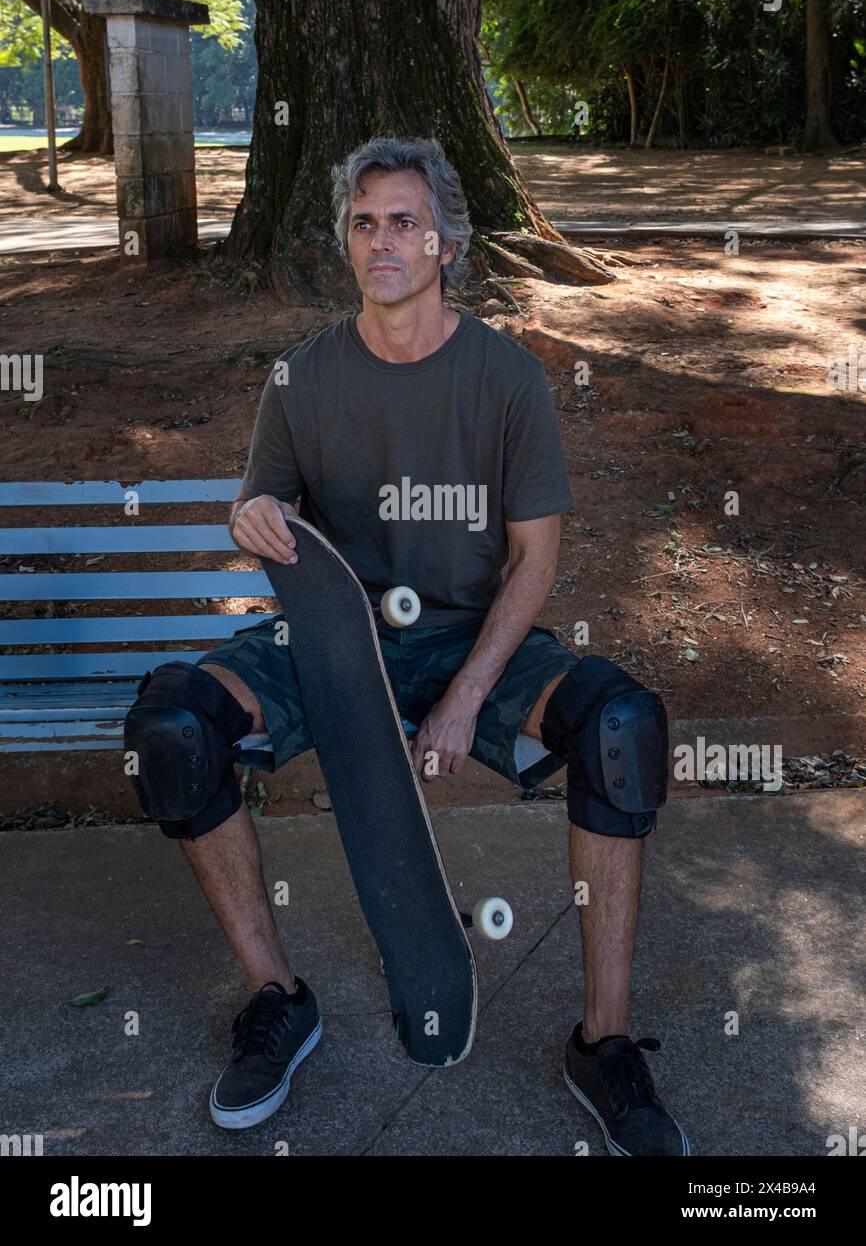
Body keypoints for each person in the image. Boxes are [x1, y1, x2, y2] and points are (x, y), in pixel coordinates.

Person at [124, 136, 688, 1155]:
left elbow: (532, 562)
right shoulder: (300, 379)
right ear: (346, 241)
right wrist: (250, 514)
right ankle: (276, 999)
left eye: (403, 221)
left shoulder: (505, 378)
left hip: (473, 637)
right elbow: (263, 502)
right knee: (173, 730)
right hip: (331, 643)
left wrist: (469, 693)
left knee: (620, 728)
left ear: (445, 243)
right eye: (362, 221)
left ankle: (602, 1043)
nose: (381, 240)